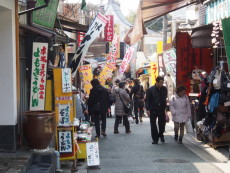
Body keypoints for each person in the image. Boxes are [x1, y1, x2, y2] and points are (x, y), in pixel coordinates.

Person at [145, 76, 168, 144]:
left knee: (162, 124)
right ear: (157, 82)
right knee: (153, 124)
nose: (162, 84)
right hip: (153, 109)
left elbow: (165, 98)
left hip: (161, 109)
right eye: (161, 82)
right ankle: (155, 139)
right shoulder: (150, 89)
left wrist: (165, 108)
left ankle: (161, 135)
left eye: (162, 82)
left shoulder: (164, 89)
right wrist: (148, 109)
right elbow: (147, 100)